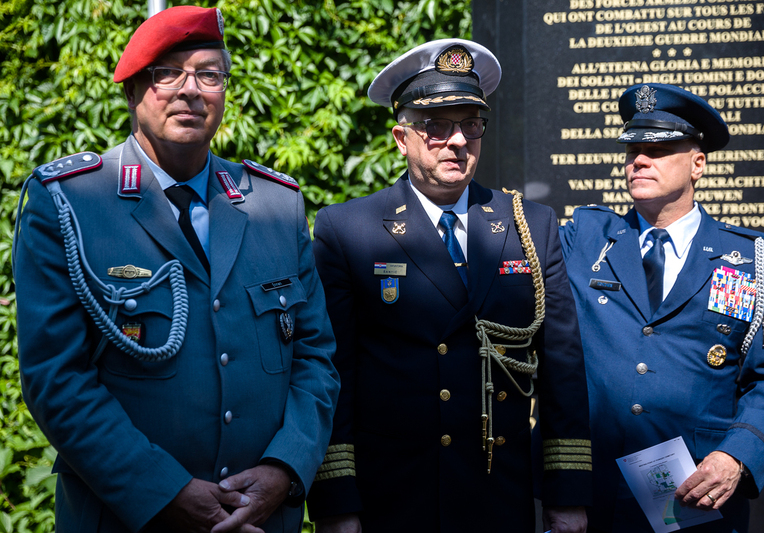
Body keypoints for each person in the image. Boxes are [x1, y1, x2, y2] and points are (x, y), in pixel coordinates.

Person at [12, 6, 339, 533]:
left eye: (209, 74)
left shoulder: (275, 205)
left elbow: (315, 355)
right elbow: (55, 378)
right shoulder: (70, 204)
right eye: (167, 73)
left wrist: (285, 468)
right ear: (133, 90)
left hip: (263, 518)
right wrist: (164, 490)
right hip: (129, 518)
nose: (190, 90)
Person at [306, 39, 592, 533]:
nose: (457, 141)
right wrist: (337, 503)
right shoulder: (348, 229)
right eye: (436, 126)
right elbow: (334, 376)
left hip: (498, 495)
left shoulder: (529, 224)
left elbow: (562, 369)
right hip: (396, 497)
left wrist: (566, 496)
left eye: (471, 124)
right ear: (401, 137)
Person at [559, 83, 764, 532]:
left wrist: (736, 457)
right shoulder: (587, 238)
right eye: (633, 148)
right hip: (592, 500)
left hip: (697, 501)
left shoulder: (750, 260)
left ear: (698, 163)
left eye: (660, 148)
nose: (639, 160)